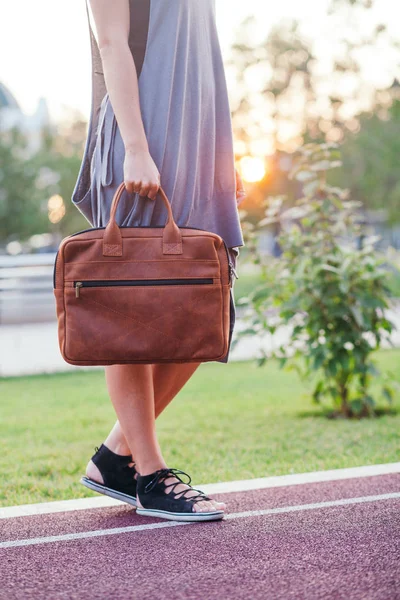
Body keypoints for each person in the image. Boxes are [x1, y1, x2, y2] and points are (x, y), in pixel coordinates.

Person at [72, 0, 245, 522]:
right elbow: (112, 42)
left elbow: (200, 55)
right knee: (132, 313)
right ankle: (148, 474)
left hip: (197, 140)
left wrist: (220, 152)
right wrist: (137, 147)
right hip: (143, 139)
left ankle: (115, 457)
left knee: (211, 309)